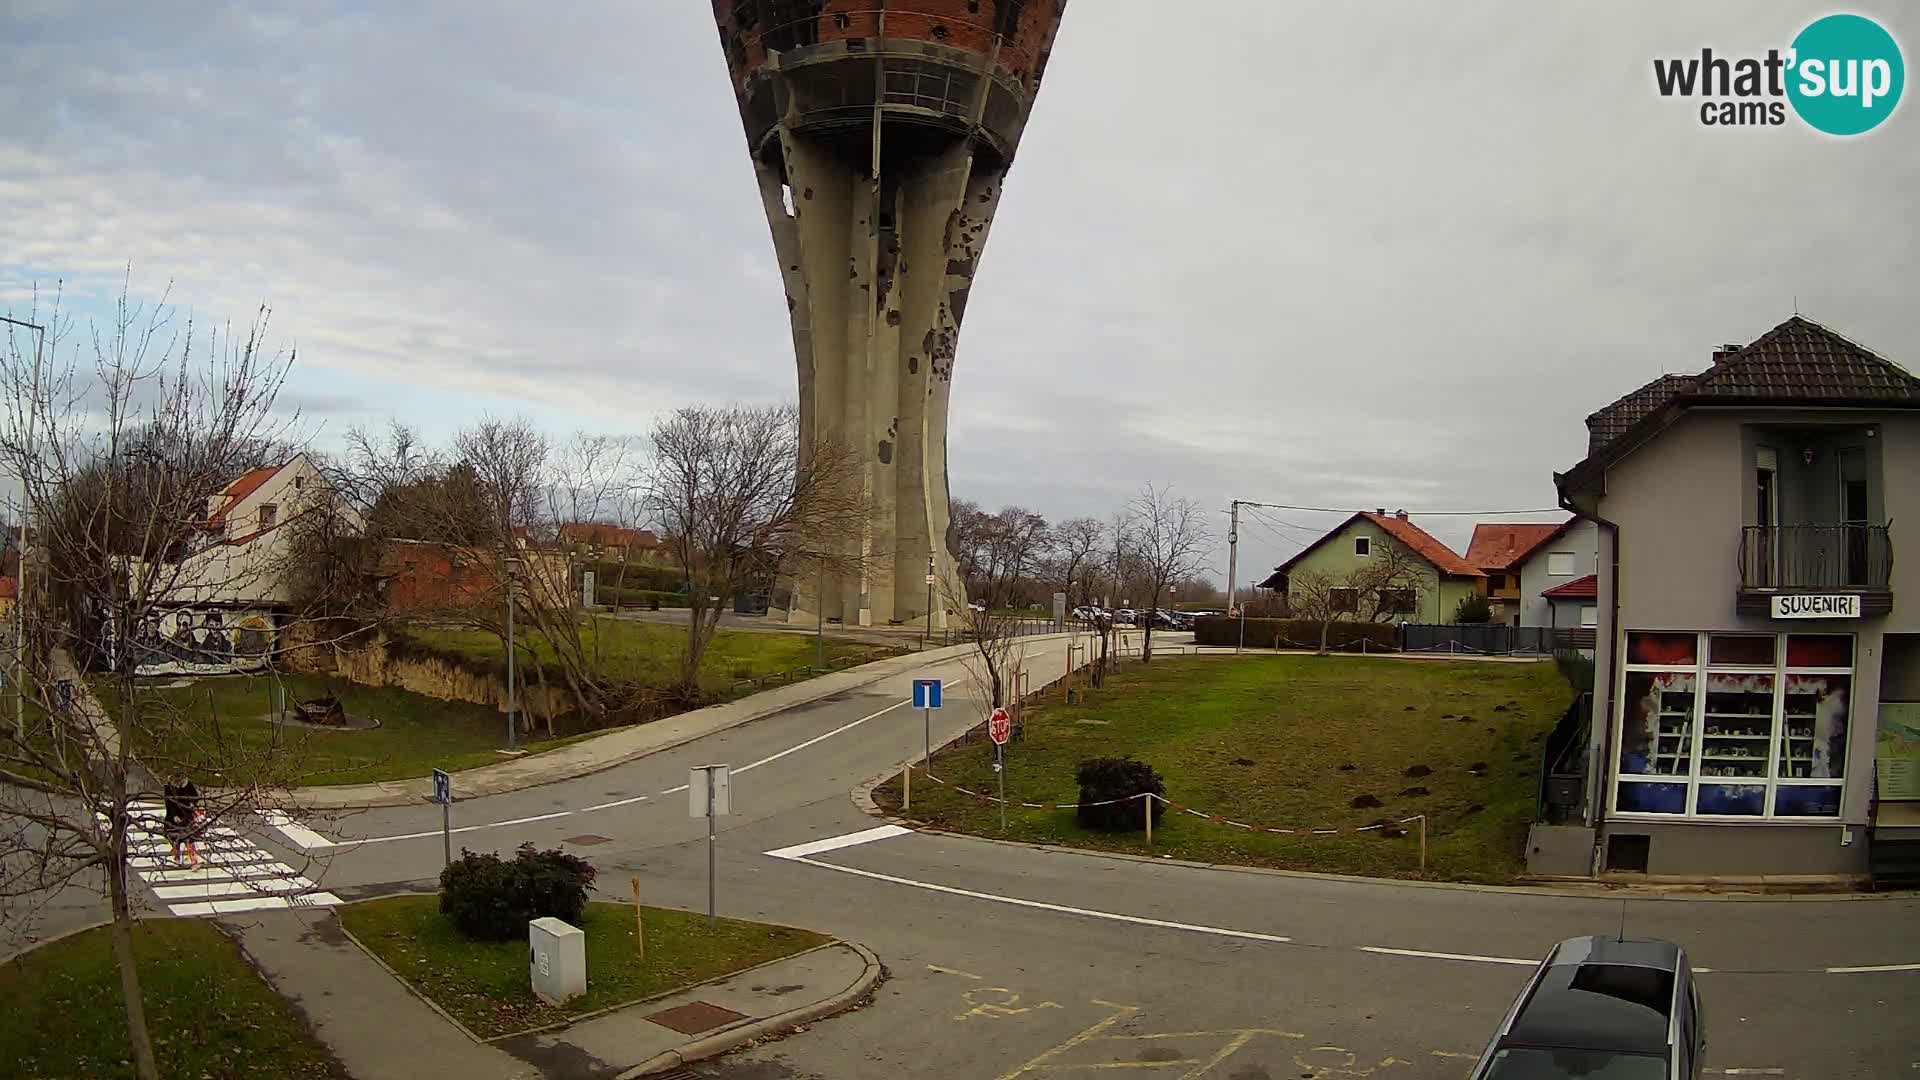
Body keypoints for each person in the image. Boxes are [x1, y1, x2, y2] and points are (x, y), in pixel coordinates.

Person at [162, 773, 200, 869]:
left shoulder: (187, 784)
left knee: (190, 838)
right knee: (175, 838)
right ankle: (177, 859)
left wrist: (192, 803)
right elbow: (169, 803)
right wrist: (173, 815)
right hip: (173, 816)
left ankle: (193, 860)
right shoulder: (169, 787)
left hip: (186, 813)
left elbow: (195, 796)